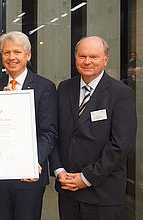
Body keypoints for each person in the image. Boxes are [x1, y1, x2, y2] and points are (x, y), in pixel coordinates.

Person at [49, 36, 137, 220]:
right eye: (82, 56)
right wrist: (59, 171)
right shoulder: (64, 88)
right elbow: (54, 133)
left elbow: (121, 145)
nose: (87, 61)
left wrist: (86, 177)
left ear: (105, 59)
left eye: (94, 57)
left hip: (103, 193)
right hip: (68, 190)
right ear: (75, 59)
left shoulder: (121, 93)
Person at [0, 31, 57, 220]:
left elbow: (49, 132)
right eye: (7, 53)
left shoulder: (44, 87)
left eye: (17, 52)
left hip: (28, 175)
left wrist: (33, 162)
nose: (11, 57)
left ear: (28, 55)